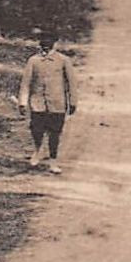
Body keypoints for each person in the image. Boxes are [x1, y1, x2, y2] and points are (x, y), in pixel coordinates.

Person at [17, 29, 77, 173]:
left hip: (57, 104)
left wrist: (73, 102)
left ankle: (53, 161)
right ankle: (38, 151)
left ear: (54, 43)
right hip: (37, 102)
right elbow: (26, 83)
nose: (46, 44)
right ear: (39, 43)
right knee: (36, 129)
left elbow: (71, 83)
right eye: (43, 41)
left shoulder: (63, 60)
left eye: (49, 41)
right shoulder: (33, 61)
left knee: (54, 132)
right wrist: (23, 102)